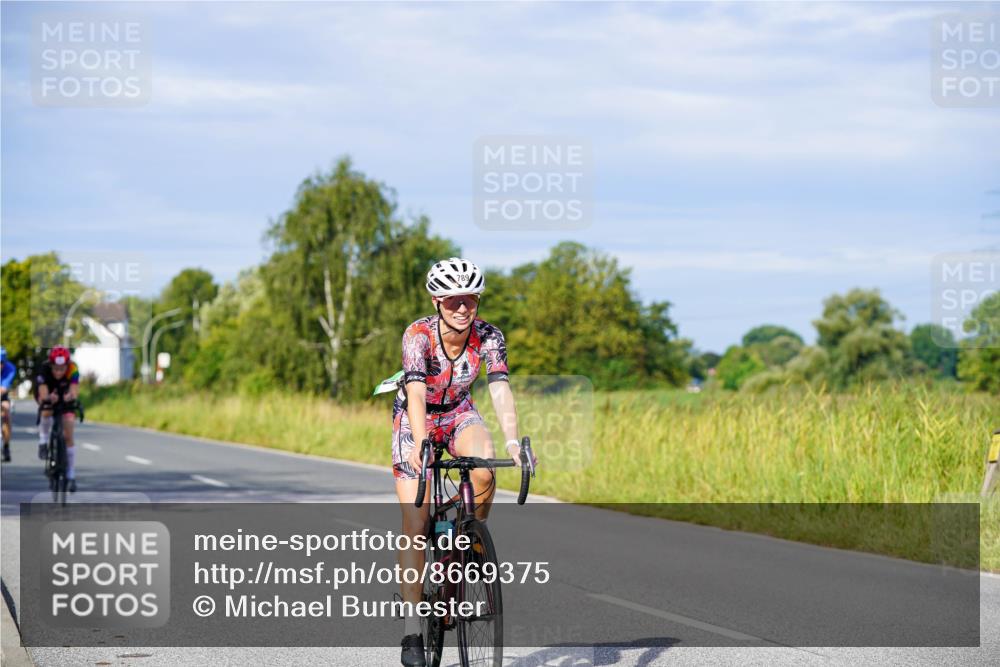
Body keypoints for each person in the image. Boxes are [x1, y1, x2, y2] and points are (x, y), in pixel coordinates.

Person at [392, 257, 536, 666]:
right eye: (453, 300)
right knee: (416, 523)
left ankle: (470, 541)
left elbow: (500, 388)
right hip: (416, 415)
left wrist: (512, 442)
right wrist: (422, 444)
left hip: (458, 410)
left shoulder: (489, 336)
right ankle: (411, 630)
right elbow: (417, 395)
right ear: (438, 301)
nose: (462, 308)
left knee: (484, 469)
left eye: (469, 299)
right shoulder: (418, 334)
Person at [36, 346, 80, 492]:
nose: (59, 372)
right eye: (56, 368)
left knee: (68, 434)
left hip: (64, 396)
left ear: (67, 365)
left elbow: (74, 390)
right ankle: (43, 441)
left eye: (62, 368)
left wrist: (71, 396)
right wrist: (48, 397)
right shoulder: (44, 369)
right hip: (49, 394)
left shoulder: (73, 368)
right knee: (47, 410)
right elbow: (42, 393)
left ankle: (71, 474)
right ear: (51, 365)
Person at [1, 347, 15, 462]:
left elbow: (4, 389)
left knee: (6, 411)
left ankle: (6, 446)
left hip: (2, 395)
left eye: (1, 363)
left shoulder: (10, 368)